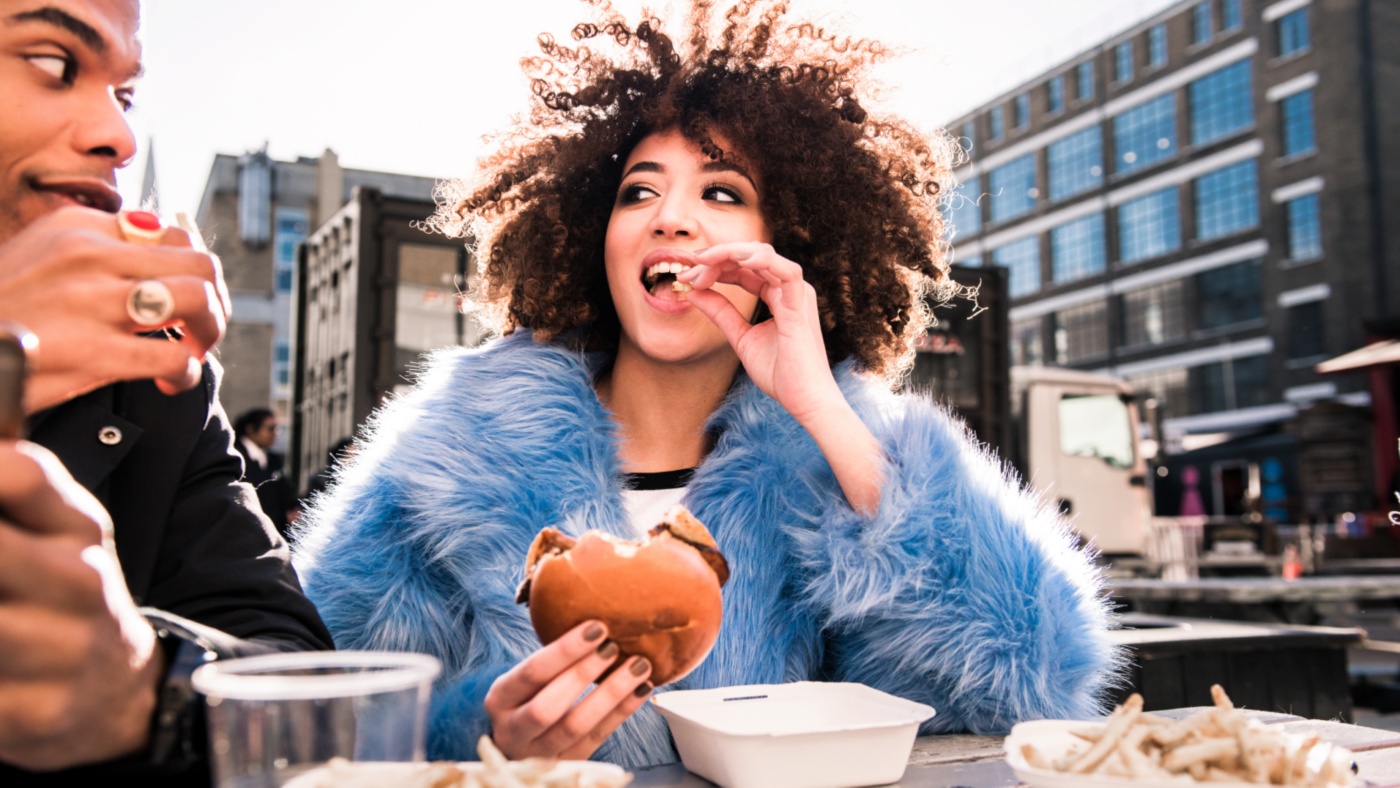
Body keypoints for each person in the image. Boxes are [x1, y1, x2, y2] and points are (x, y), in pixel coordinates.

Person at [294, 0, 1122, 770]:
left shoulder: (825, 471)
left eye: (722, 192)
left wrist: (822, 406)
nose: (671, 216)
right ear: (596, 237)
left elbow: (1022, 689)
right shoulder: (452, 456)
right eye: (639, 192)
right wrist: (480, 735)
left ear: (789, 245)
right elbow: (314, 711)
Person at [0, 0, 333, 782]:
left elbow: (299, 690)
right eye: (52, 64)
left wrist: (150, 693)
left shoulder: (153, 380)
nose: (118, 136)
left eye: (124, 94)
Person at [233, 407, 299, 536]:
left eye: (276, 429)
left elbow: (285, 493)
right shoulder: (235, 458)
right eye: (270, 428)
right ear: (251, 429)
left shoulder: (273, 460)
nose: (275, 434)